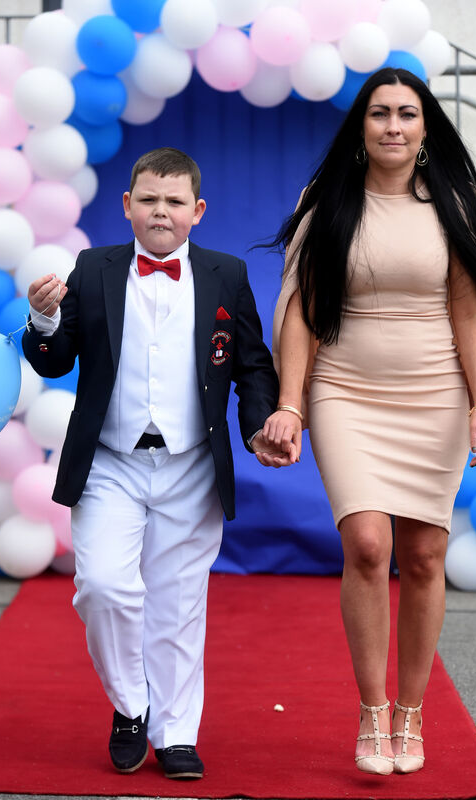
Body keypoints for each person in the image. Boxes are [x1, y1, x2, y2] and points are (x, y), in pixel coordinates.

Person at [263, 68, 476, 776]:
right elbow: (300, 309)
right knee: (369, 545)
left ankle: (411, 713)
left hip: (434, 391)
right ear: (361, 126)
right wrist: (290, 403)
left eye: (407, 114)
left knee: (425, 556)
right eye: (379, 114)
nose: (393, 127)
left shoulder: (453, 203)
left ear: (425, 127)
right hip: (345, 390)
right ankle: (372, 709)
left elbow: (471, 310)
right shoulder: (327, 201)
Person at [22, 147, 293, 780]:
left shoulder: (226, 274)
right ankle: (130, 704)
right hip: (110, 463)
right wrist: (44, 316)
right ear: (128, 206)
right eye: (148, 199)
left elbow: (252, 362)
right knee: (103, 589)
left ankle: (176, 733)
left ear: (197, 211)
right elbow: (56, 359)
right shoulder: (93, 268)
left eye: (174, 202)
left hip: (190, 464)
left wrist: (258, 427)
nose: (161, 212)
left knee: (178, 603)